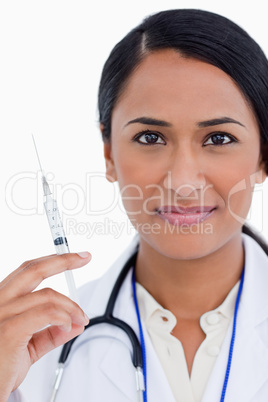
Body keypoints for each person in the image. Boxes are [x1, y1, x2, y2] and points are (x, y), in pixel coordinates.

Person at [2, 8, 268, 402]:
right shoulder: (28, 352)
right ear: (108, 154)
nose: (183, 183)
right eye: (150, 138)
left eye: (218, 138)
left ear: (264, 156)